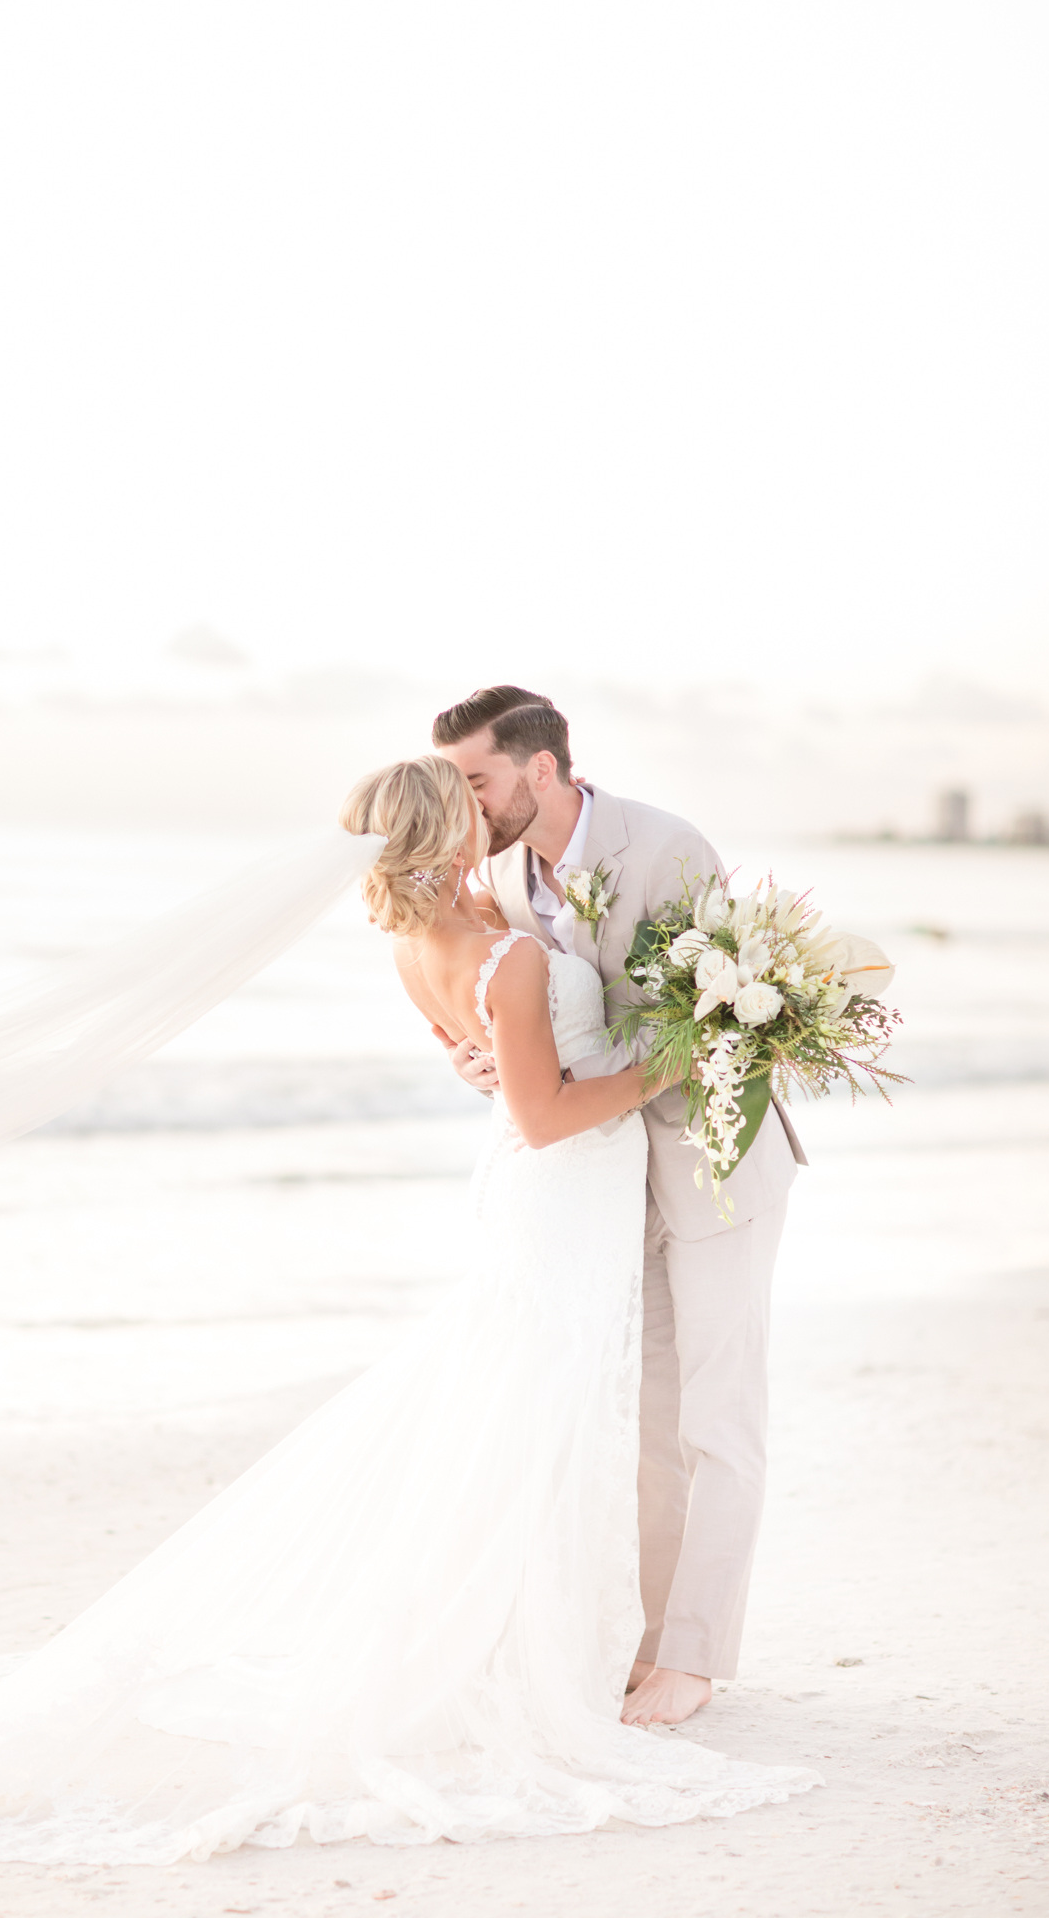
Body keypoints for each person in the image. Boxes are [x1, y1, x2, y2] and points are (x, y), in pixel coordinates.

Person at [0, 757, 815, 1866]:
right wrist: (674, 1054)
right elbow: (547, 1116)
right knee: (534, 1409)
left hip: (545, 1195)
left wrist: (505, 1052)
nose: (486, 817)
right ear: (449, 835)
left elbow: (493, 1062)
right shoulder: (505, 952)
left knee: (526, 1406)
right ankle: (512, 1655)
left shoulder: (435, 936)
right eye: (468, 809)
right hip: (558, 1182)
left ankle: (521, 1636)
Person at [432, 687, 806, 1727]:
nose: (466, 802)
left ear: (542, 767)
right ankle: (652, 1646)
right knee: (649, 1425)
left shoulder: (665, 846)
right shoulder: (499, 874)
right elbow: (535, 1021)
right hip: (600, 1184)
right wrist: (490, 1066)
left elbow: (724, 1010)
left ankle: (697, 1654)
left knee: (718, 1415)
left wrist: (597, 1083)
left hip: (714, 1156)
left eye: (477, 779)